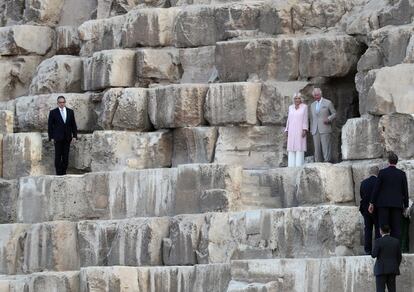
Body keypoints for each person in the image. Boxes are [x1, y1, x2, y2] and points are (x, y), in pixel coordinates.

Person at [369, 152, 409, 240]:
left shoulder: (382, 173)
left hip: (383, 205)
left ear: (388, 161)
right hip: (397, 205)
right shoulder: (402, 174)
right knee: (396, 229)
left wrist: (372, 203)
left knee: (383, 227)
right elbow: (405, 191)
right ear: (396, 162)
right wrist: (406, 206)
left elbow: (376, 189)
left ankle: (383, 249)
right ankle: (395, 249)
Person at [48, 96, 77, 175]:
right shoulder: (53, 112)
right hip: (57, 138)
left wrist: (74, 136)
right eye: (60, 102)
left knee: (66, 157)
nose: (62, 104)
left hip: (67, 138)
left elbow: (73, 124)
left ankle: (64, 173)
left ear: (65, 102)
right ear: (57, 103)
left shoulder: (70, 111)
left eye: (63, 102)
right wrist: (51, 137)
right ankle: (58, 173)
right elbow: (50, 126)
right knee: (58, 156)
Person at [371, 225, 402, 292]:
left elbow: (373, 255)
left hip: (381, 270)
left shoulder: (378, 241)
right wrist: (395, 265)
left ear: (381, 231)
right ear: (389, 231)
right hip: (392, 270)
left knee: (380, 290)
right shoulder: (396, 241)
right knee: (392, 290)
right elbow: (399, 257)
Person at [309, 88, 336, 162]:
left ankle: (327, 161)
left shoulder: (328, 102)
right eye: (314, 95)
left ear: (321, 94)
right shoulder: (312, 105)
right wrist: (311, 129)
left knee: (326, 146)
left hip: (325, 128)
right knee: (316, 148)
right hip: (315, 129)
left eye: (317, 95)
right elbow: (312, 118)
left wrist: (329, 119)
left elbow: (334, 114)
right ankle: (317, 162)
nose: (316, 96)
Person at [360, 166, 380, 254]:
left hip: (365, 209)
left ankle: (367, 250)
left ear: (370, 173)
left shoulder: (363, 183)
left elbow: (361, 195)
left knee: (367, 229)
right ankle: (376, 250)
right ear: (377, 173)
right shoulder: (379, 182)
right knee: (377, 229)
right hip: (376, 209)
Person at [285, 93, 308, 167]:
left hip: (300, 129)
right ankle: (291, 166)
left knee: (299, 147)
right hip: (291, 129)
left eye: (298, 98)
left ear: (301, 99)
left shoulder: (304, 107)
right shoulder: (290, 107)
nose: (297, 100)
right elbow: (288, 119)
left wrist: (304, 129)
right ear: (293, 99)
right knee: (291, 147)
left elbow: (305, 118)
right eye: (295, 98)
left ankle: (299, 165)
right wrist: (287, 129)